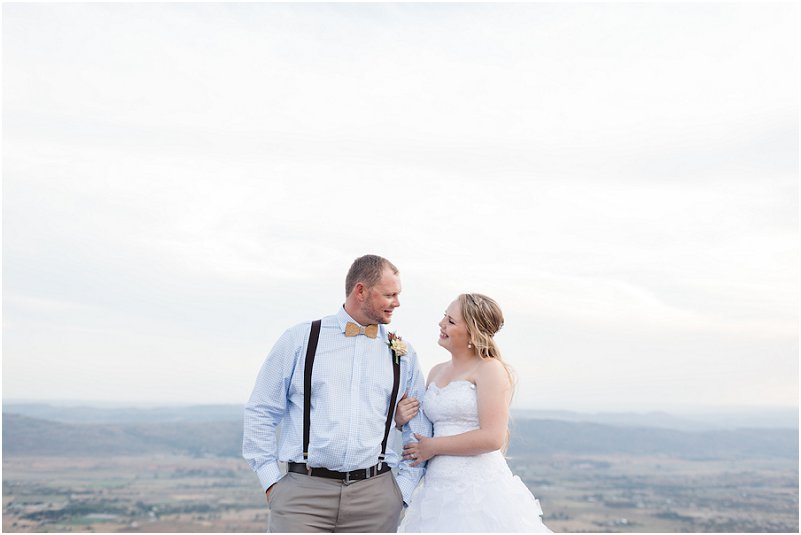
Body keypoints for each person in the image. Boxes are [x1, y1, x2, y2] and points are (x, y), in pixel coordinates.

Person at [243, 255, 432, 533]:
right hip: (302, 497)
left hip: (376, 500)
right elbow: (261, 410)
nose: (397, 303)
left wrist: (400, 493)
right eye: (389, 295)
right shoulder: (300, 339)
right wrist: (272, 482)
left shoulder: (403, 354)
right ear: (361, 291)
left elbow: (419, 430)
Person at [394, 293, 551, 532]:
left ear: (472, 332)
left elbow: (493, 438)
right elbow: (425, 427)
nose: (441, 324)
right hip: (436, 489)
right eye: (444, 317)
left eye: (451, 321)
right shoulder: (436, 372)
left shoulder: (490, 369)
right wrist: (400, 420)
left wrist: (433, 447)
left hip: (478, 491)